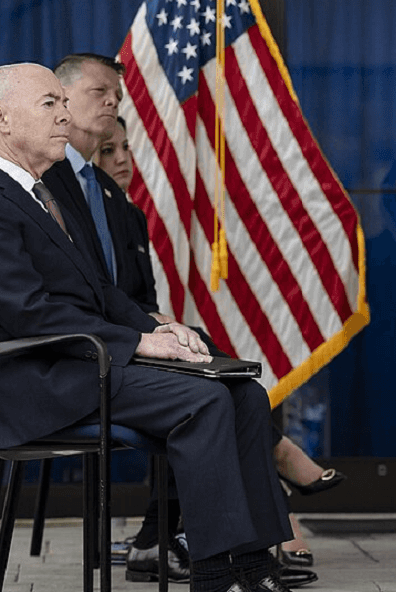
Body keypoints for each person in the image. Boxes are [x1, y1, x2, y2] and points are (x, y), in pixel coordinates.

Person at [0, 63, 293, 591]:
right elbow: (31, 313)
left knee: (244, 394)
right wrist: (138, 344)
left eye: (64, 102)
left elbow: (102, 293)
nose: (66, 114)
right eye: (49, 104)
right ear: (0, 117)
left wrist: (162, 329)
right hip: (33, 380)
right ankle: (212, 571)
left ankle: (249, 561)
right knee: (203, 402)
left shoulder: (44, 194)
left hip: (80, 362)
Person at [94, 111, 340, 576]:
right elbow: (76, 304)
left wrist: (157, 324)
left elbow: (134, 298)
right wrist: (147, 332)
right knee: (202, 392)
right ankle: (269, 488)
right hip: (99, 355)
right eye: (109, 150)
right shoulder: (70, 207)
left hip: (128, 339)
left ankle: (222, 551)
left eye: (126, 148)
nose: (123, 159)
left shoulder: (127, 212)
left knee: (233, 387)